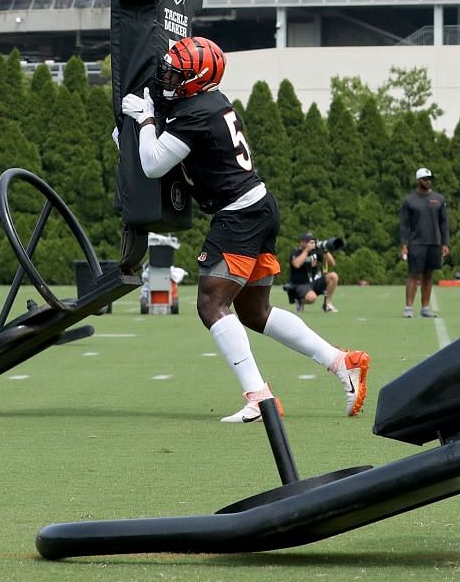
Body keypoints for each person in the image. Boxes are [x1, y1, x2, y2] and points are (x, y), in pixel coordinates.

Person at [121, 35, 370, 422]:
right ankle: (341, 362)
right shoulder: (208, 101)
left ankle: (258, 397)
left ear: (197, 78)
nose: (168, 76)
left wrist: (147, 118)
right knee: (255, 311)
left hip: (238, 214)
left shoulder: (196, 111)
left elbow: (153, 164)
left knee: (210, 304)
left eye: (176, 72)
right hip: (258, 206)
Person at [399, 169, 450, 318]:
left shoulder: (439, 199)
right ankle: (408, 307)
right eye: (425, 179)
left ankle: (425, 307)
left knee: (428, 275)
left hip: (434, 243)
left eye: (429, 179)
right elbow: (404, 224)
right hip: (416, 243)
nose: (428, 181)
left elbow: (444, 223)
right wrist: (404, 244)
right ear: (418, 180)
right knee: (413, 275)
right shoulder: (409, 200)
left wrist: (445, 243)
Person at [284, 232, 340, 313]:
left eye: (312, 241)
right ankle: (300, 301)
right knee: (312, 298)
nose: (310, 243)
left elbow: (332, 263)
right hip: (300, 284)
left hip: (314, 282)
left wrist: (325, 250)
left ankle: (327, 304)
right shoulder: (295, 251)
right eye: (307, 241)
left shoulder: (316, 252)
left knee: (333, 276)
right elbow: (296, 264)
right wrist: (306, 250)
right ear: (301, 242)